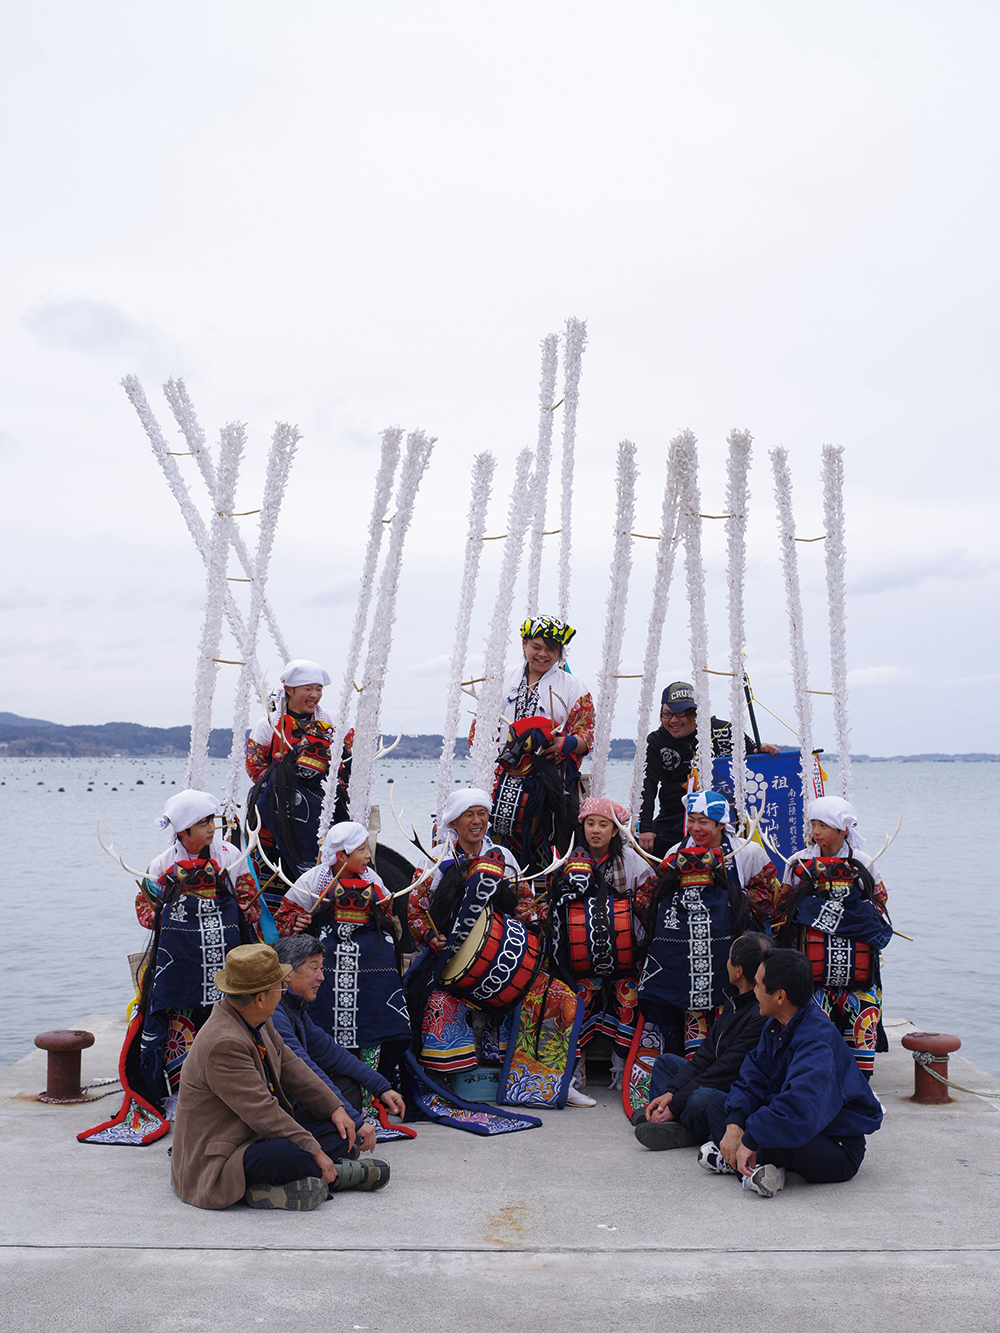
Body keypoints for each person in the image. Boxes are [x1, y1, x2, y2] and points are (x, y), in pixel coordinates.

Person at [171, 944, 390, 1211]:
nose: (283, 992)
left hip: (254, 1133)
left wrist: (337, 1109)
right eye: (279, 988)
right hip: (223, 1155)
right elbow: (263, 1112)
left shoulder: (258, 1018)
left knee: (340, 1130)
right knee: (288, 1154)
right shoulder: (223, 1043)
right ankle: (333, 1176)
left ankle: (286, 1181)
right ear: (260, 998)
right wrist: (315, 1151)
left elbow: (293, 1067)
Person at [406, 788, 589, 1107]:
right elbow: (415, 909)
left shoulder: (503, 857)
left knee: (556, 997)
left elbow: (526, 899)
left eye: (482, 814)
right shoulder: (435, 859)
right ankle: (439, 1079)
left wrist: (526, 912)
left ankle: (547, 1082)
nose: (477, 821)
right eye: (469, 815)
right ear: (453, 821)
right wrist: (429, 937)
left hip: (505, 957)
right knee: (436, 1001)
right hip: (447, 959)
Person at [699, 948, 883, 1197]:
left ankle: (743, 1164)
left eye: (759, 985)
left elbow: (797, 1109)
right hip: (801, 1123)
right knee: (719, 1108)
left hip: (835, 1145)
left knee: (780, 1139)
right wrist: (734, 1125)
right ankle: (754, 1166)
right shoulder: (776, 1025)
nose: (754, 990)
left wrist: (751, 1137)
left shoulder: (817, 1040)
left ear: (779, 996)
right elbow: (752, 1077)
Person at [134, 789, 264, 1110]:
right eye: (203, 822)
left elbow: (249, 899)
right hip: (181, 962)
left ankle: (233, 1092)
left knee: (228, 1022)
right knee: (182, 1024)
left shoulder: (230, 854)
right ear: (182, 830)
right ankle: (184, 1097)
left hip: (226, 956)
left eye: (212, 821)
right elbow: (145, 909)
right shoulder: (162, 864)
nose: (211, 828)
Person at [275, 821, 411, 1085]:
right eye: (361, 850)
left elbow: (387, 916)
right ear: (342, 856)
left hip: (371, 967)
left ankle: (373, 1090)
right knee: (323, 1020)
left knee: (380, 1017)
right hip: (329, 967)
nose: (369, 856)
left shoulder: (373, 880)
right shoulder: (313, 879)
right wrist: (297, 922)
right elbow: (284, 915)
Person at [637, 790, 768, 1059]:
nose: (695, 828)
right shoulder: (676, 852)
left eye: (704, 822)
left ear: (722, 824)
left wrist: (728, 904)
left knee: (729, 1008)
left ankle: (730, 1070)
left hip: (730, 949)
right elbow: (657, 896)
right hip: (686, 954)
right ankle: (687, 1070)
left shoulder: (748, 852)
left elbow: (768, 894)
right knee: (688, 1012)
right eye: (692, 820)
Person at [773, 795, 892, 1079]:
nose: (816, 832)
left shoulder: (864, 862)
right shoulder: (798, 863)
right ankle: (815, 1085)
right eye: (813, 824)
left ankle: (861, 1090)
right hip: (811, 968)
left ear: (843, 830)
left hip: (858, 968)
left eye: (823, 825)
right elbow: (781, 909)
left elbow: (880, 901)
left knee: (863, 1017)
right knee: (811, 1025)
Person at [545, 797, 658, 1091]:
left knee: (630, 997)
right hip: (580, 958)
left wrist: (630, 907)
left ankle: (622, 1065)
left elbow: (650, 905)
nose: (596, 831)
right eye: (590, 823)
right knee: (577, 996)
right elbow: (552, 904)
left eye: (603, 824)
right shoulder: (567, 860)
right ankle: (575, 1065)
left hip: (624, 957)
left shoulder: (632, 861)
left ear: (615, 830)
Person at [634, 931, 770, 1150]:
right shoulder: (736, 999)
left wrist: (676, 1103)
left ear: (739, 970)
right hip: (713, 1078)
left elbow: (724, 1071)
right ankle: (668, 1118)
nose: (725, 962)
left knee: (702, 1098)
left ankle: (683, 1129)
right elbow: (704, 1056)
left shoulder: (760, 1013)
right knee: (666, 1063)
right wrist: (671, 1093)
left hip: (733, 1090)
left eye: (728, 958)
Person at [271, 934, 407, 1148]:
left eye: (322, 969)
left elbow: (333, 1054)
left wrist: (382, 1088)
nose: (321, 977)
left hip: (292, 1101)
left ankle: (332, 1142)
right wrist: (353, 1118)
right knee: (339, 1128)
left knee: (348, 1085)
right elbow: (304, 1069)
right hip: (274, 1110)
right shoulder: (274, 1012)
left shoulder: (294, 1007)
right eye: (314, 968)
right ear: (287, 974)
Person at [487, 616, 595, 874]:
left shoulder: (574, 687)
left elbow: (588, 736)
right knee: (498, 848)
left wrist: (565, 743)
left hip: (551, 781)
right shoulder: (502, 681)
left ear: (559, 652)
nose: (543, 654)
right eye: (537, 646)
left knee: (553, 845)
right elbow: (479, 731)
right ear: (524, 644)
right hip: (500, 780)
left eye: (551, 649)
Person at [245, 658, 353, 905]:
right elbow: (253, 769)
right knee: (273, 879)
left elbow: (351, 764)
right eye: (308, 689)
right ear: (289, 690)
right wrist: (280, 770)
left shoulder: (337, 723)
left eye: (319, 689)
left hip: (324, 813)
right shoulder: (267, 725)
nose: (315, 695)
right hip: (276, 817)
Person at [638, 681, 778, 858]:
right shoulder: (656, 740)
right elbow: (647, 784)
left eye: (680, 714)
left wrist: (764, 752)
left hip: (721, 816)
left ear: (697, 713)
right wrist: (645, 828)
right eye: (667, 714)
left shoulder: (726, 731)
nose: (673, 720)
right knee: (643, 848)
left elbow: (755, 759)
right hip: (674, 814)